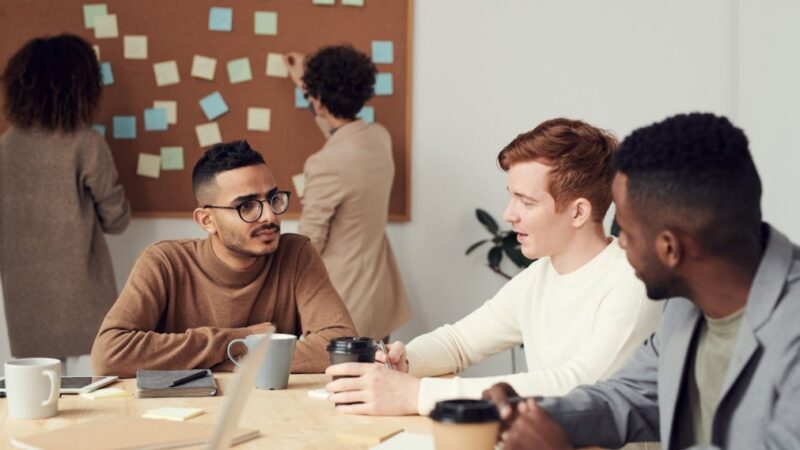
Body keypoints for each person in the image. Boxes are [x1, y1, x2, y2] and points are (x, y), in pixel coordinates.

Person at [485, 113, 800, 450]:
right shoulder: (687, 305)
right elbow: (628, 396)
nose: (619, 243)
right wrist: (537, 414)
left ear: (670, 248)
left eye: (627, 232)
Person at [323, 118, 663, 419]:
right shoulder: (540, 276)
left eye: (526, 202)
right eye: (511, 196)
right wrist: (405, 360)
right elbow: (460, 342)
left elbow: (578, 388)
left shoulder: (632, 282)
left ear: (578, 213)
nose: (508, 214)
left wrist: (417, 394)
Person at [91, 141, 356, 378]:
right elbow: (109, 354)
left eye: (273, 199)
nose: (270, 217)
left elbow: (340, 345)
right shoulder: (164, 262)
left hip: (273, 412)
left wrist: (224, 359)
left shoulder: (296, 255)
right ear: (206, 220)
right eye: (247, 206)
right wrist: (243, 339)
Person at [0, 34, 130, 360]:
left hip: (24, 292)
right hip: (83, 291)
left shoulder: (4, 148)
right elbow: (117, 220)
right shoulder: (86, 143)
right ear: (82, 88)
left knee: (39, 389)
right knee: (96, 384)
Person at [283, 45, 411, 340]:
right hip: (378, 296)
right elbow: (339, 134)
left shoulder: (325, 163)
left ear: (319, 102)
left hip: (344, 299)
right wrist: (309, 86)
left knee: (341, 384)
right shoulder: (379, 138)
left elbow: (310, 242)